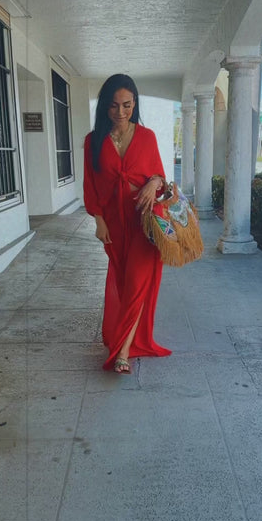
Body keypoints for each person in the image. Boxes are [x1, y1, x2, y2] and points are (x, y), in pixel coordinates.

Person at [83, 74, 172, 373]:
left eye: (126, 105)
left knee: (137, 283)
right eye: (113, 106)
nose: (120, 112)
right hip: (114, 225)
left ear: (135, 104)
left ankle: (122, 353)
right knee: (124, 283)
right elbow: (90, 185)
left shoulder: (147, 137)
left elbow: (160, 177)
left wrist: (153, 184)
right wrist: (99, 220)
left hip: (144, 222)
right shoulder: (93, 142)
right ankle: (130, 339)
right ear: (104, 107)